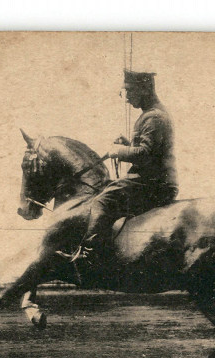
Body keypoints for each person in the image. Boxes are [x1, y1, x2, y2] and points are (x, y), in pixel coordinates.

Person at [58, 69, 179, 263]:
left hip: (153, 184)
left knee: (102, 201)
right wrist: (128, 145)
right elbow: (152, 153)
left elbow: (145, 154)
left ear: (144, 89)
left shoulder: (153, 117)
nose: (127, 98)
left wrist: (119, 151)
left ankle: (89, 253)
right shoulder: (153, 114)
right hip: (154, 181)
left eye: (129, 91)